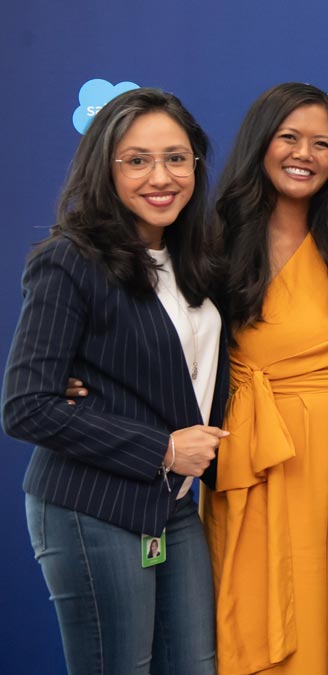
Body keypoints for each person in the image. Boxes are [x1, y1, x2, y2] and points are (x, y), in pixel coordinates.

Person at [2, 87, 228, 674]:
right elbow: (26, 407)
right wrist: (165, 448)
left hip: (172, 507)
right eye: (137, 160)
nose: (161, 176)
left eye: (177, 158)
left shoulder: (196, 257)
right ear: (106, 169)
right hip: (91, 507)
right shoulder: (70, 259)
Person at [200, 82, 328, 674]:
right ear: (261, 143)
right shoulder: (213, 244)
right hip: (256, 454)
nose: (305, 153)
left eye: (322, 144)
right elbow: (163, 337)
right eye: (289, 137)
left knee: (326, 605)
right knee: (253, 616)